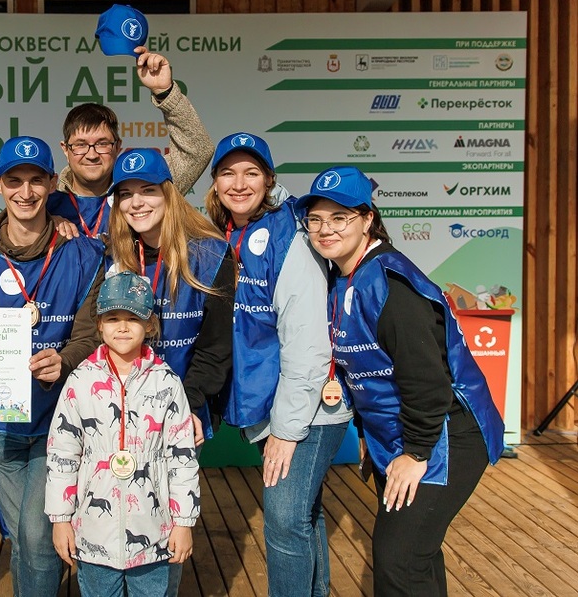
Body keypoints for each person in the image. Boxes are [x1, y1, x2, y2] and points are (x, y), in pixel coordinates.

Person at [296, 165, 505, 597]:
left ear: (368, 219)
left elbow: (427, 381)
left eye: (340, 217)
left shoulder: (391, 284)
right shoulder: (342, 276)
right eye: (316, 219)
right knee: (416, 558)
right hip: (399, 435)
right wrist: (370, 435)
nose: (326, 229)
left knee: (399, 561)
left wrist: (416, 452)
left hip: (444, 434)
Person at [0, 136, 106, 597]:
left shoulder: (85, 255)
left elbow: (90, 335)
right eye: (14, 181)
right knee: (22, 538)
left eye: (35, 181)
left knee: (38, 537)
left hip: (61, 421)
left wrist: (65, 360)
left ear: (52, 183)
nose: (25, 192)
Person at [206, 133, 352, 597]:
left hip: (308, 406)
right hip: (278, 400)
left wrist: (286, 431)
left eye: (251, 173)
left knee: (285, 521)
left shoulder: (291, 235)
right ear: (215, 182)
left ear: (269, 180)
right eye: (228, 173)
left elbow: (308, 344)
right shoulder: (227, 231)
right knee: (304, 514)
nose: (239, 183)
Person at [106, 147, 233, 595]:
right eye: (126, 194)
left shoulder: (211, 254)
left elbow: (216, 348)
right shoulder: (113, 253)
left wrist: (190, 405)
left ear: (169, 193)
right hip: (119, 412)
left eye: (148, 190)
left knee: (165, 526)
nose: (136, 202)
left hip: (180, 412)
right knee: (115, 516)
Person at [45, 271, 199, 597]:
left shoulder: (167, 382)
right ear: (99, 325)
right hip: (93, 537)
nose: (123, 327)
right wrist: (60, 519)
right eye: (113, 318)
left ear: (151, 325)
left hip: (154, 534)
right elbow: (62, 454)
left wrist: (184, 522)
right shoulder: (80, 381)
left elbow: (182, 459)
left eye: (133, 318)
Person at [48, 46, 214, 238]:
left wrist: (165, 92)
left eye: (102, 143)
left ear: (118, 146)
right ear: (65, 149)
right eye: (81, 145)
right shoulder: (43, 201)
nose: (91, 155)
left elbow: (196, 151)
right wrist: (45, 220)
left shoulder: (145, 185)